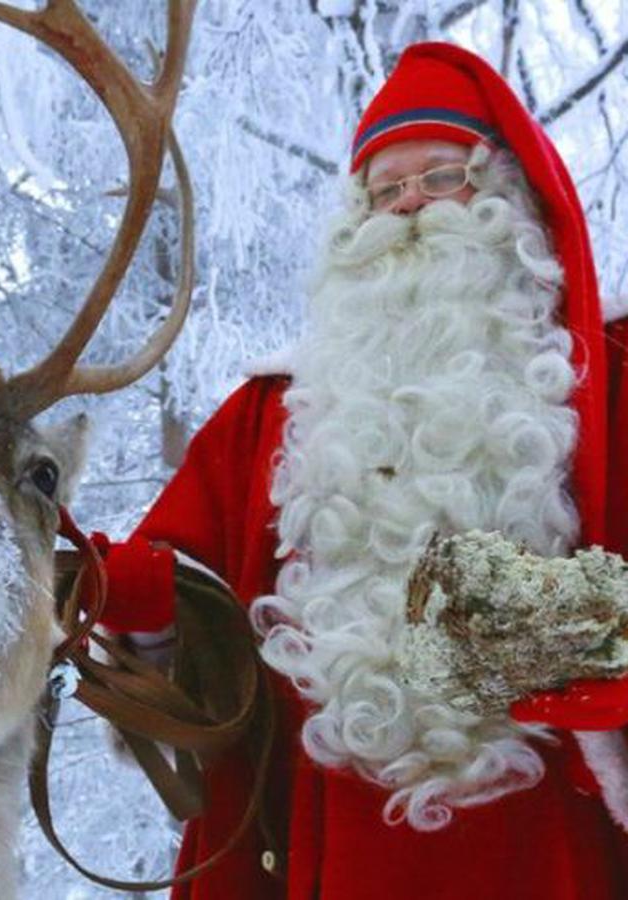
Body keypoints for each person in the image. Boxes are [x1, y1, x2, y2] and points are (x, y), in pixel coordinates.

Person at [98, 42, 628, 899]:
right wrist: (126, 599)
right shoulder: (272, 415)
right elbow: (189, 599)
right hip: (335, 845)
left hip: (550, 852)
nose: (411, 207)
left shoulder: (611, 381)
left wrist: (562, 633)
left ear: (508, 201)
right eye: (386, 191)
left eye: (443, 179)